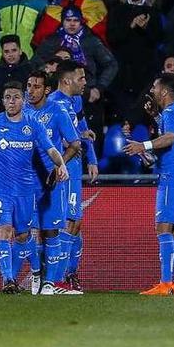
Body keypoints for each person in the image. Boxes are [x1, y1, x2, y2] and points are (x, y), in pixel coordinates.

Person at [0, 80, 67, 294]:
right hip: (0, 190)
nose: (11, 101)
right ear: (2, 101)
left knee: (23, 236)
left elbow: (51, 149)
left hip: (26, 190)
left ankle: (36, 270)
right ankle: (8, 280)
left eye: (16, 97)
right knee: (3, 231)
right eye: (7, 98)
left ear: (23, 99)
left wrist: (61, 165)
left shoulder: (33, 125)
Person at [123, 73, 174, 296]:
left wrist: (143, 145)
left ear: (163, 91)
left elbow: (171, 137)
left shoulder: (171, 111)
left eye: (154, 87)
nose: (151, 91)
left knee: (162, 228)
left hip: (172, 176)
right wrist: (155, 116)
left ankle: (164, 284)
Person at [23, 69, 81, 295]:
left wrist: (59, 165)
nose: (31, 91)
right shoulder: (22, 111)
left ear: (47, 90)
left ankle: (50, 283)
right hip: (27, 181)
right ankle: (37, 277)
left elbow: (75, 144)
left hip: (51, 180)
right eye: (28, 85)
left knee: (52, 231)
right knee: (30, 231)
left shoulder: (57, 110)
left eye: (36, 86)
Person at [48, 61, 98, 292]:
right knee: (69, 222)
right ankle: (55, 280)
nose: (85, 82)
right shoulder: (54, 104)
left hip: (76, 169)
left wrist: (93, 159)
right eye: (81, 78)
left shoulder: (75, 101)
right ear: (67, 81)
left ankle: (69, 275)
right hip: (64, 171)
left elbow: (83, 128)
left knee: (76, 225)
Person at [107, 0, 163, 119]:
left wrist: (146, 28)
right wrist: (131, 25)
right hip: (122, 72)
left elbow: (157, 39)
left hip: (145, 71)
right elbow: (112, 38)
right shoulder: (117, 11)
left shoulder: (153, 13)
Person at [0, 35, 33, 114]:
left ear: (20, 51)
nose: (10, 54)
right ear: (2, 54)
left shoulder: (31, 71)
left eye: (14, 50)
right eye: (6, 51)